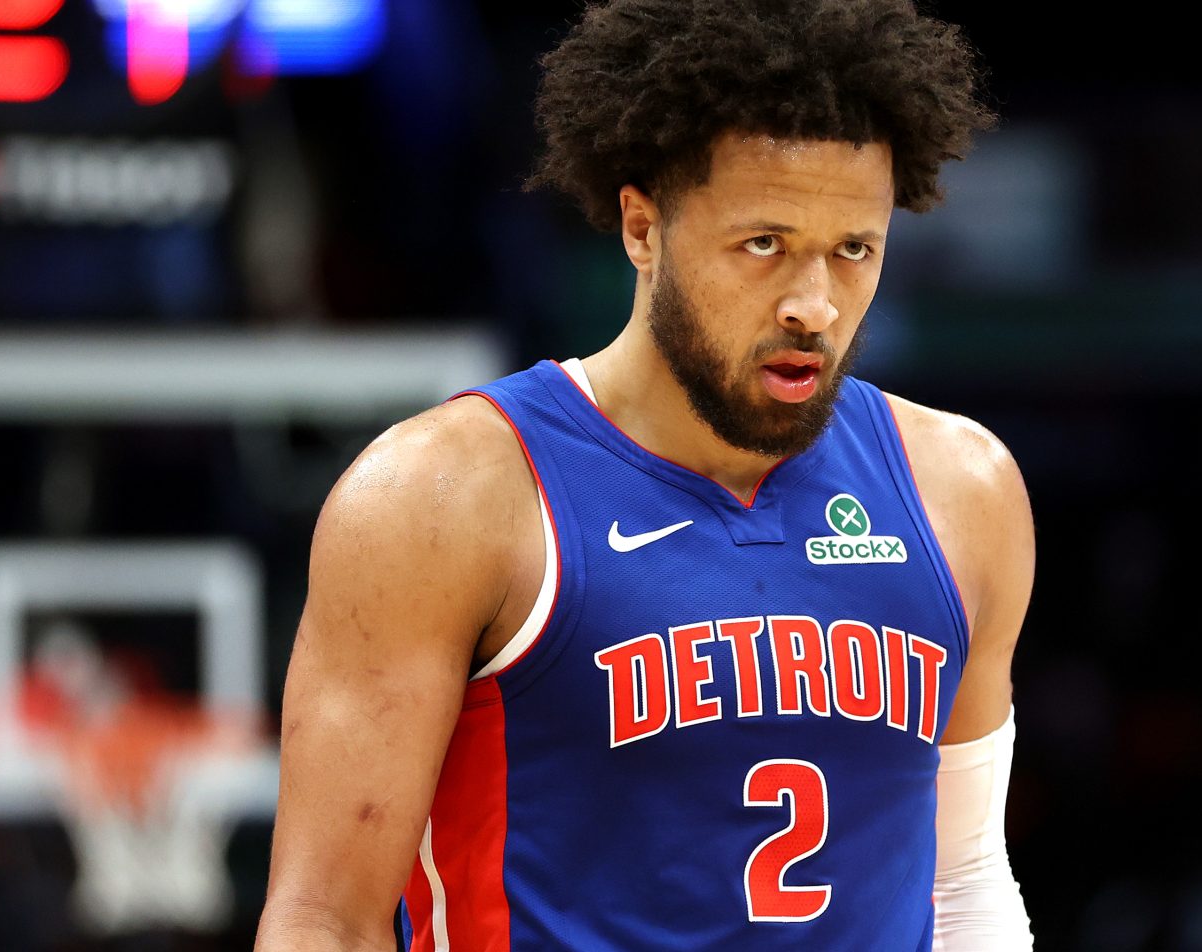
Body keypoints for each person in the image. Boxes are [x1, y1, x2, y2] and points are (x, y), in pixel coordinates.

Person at [256, 0, 1034, 948]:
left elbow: (966, 883)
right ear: (641, 226)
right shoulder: (443, 497)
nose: (814, 305)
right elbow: (324, 921)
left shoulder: (963, 489)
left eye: (853, 251)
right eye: (765, 245)